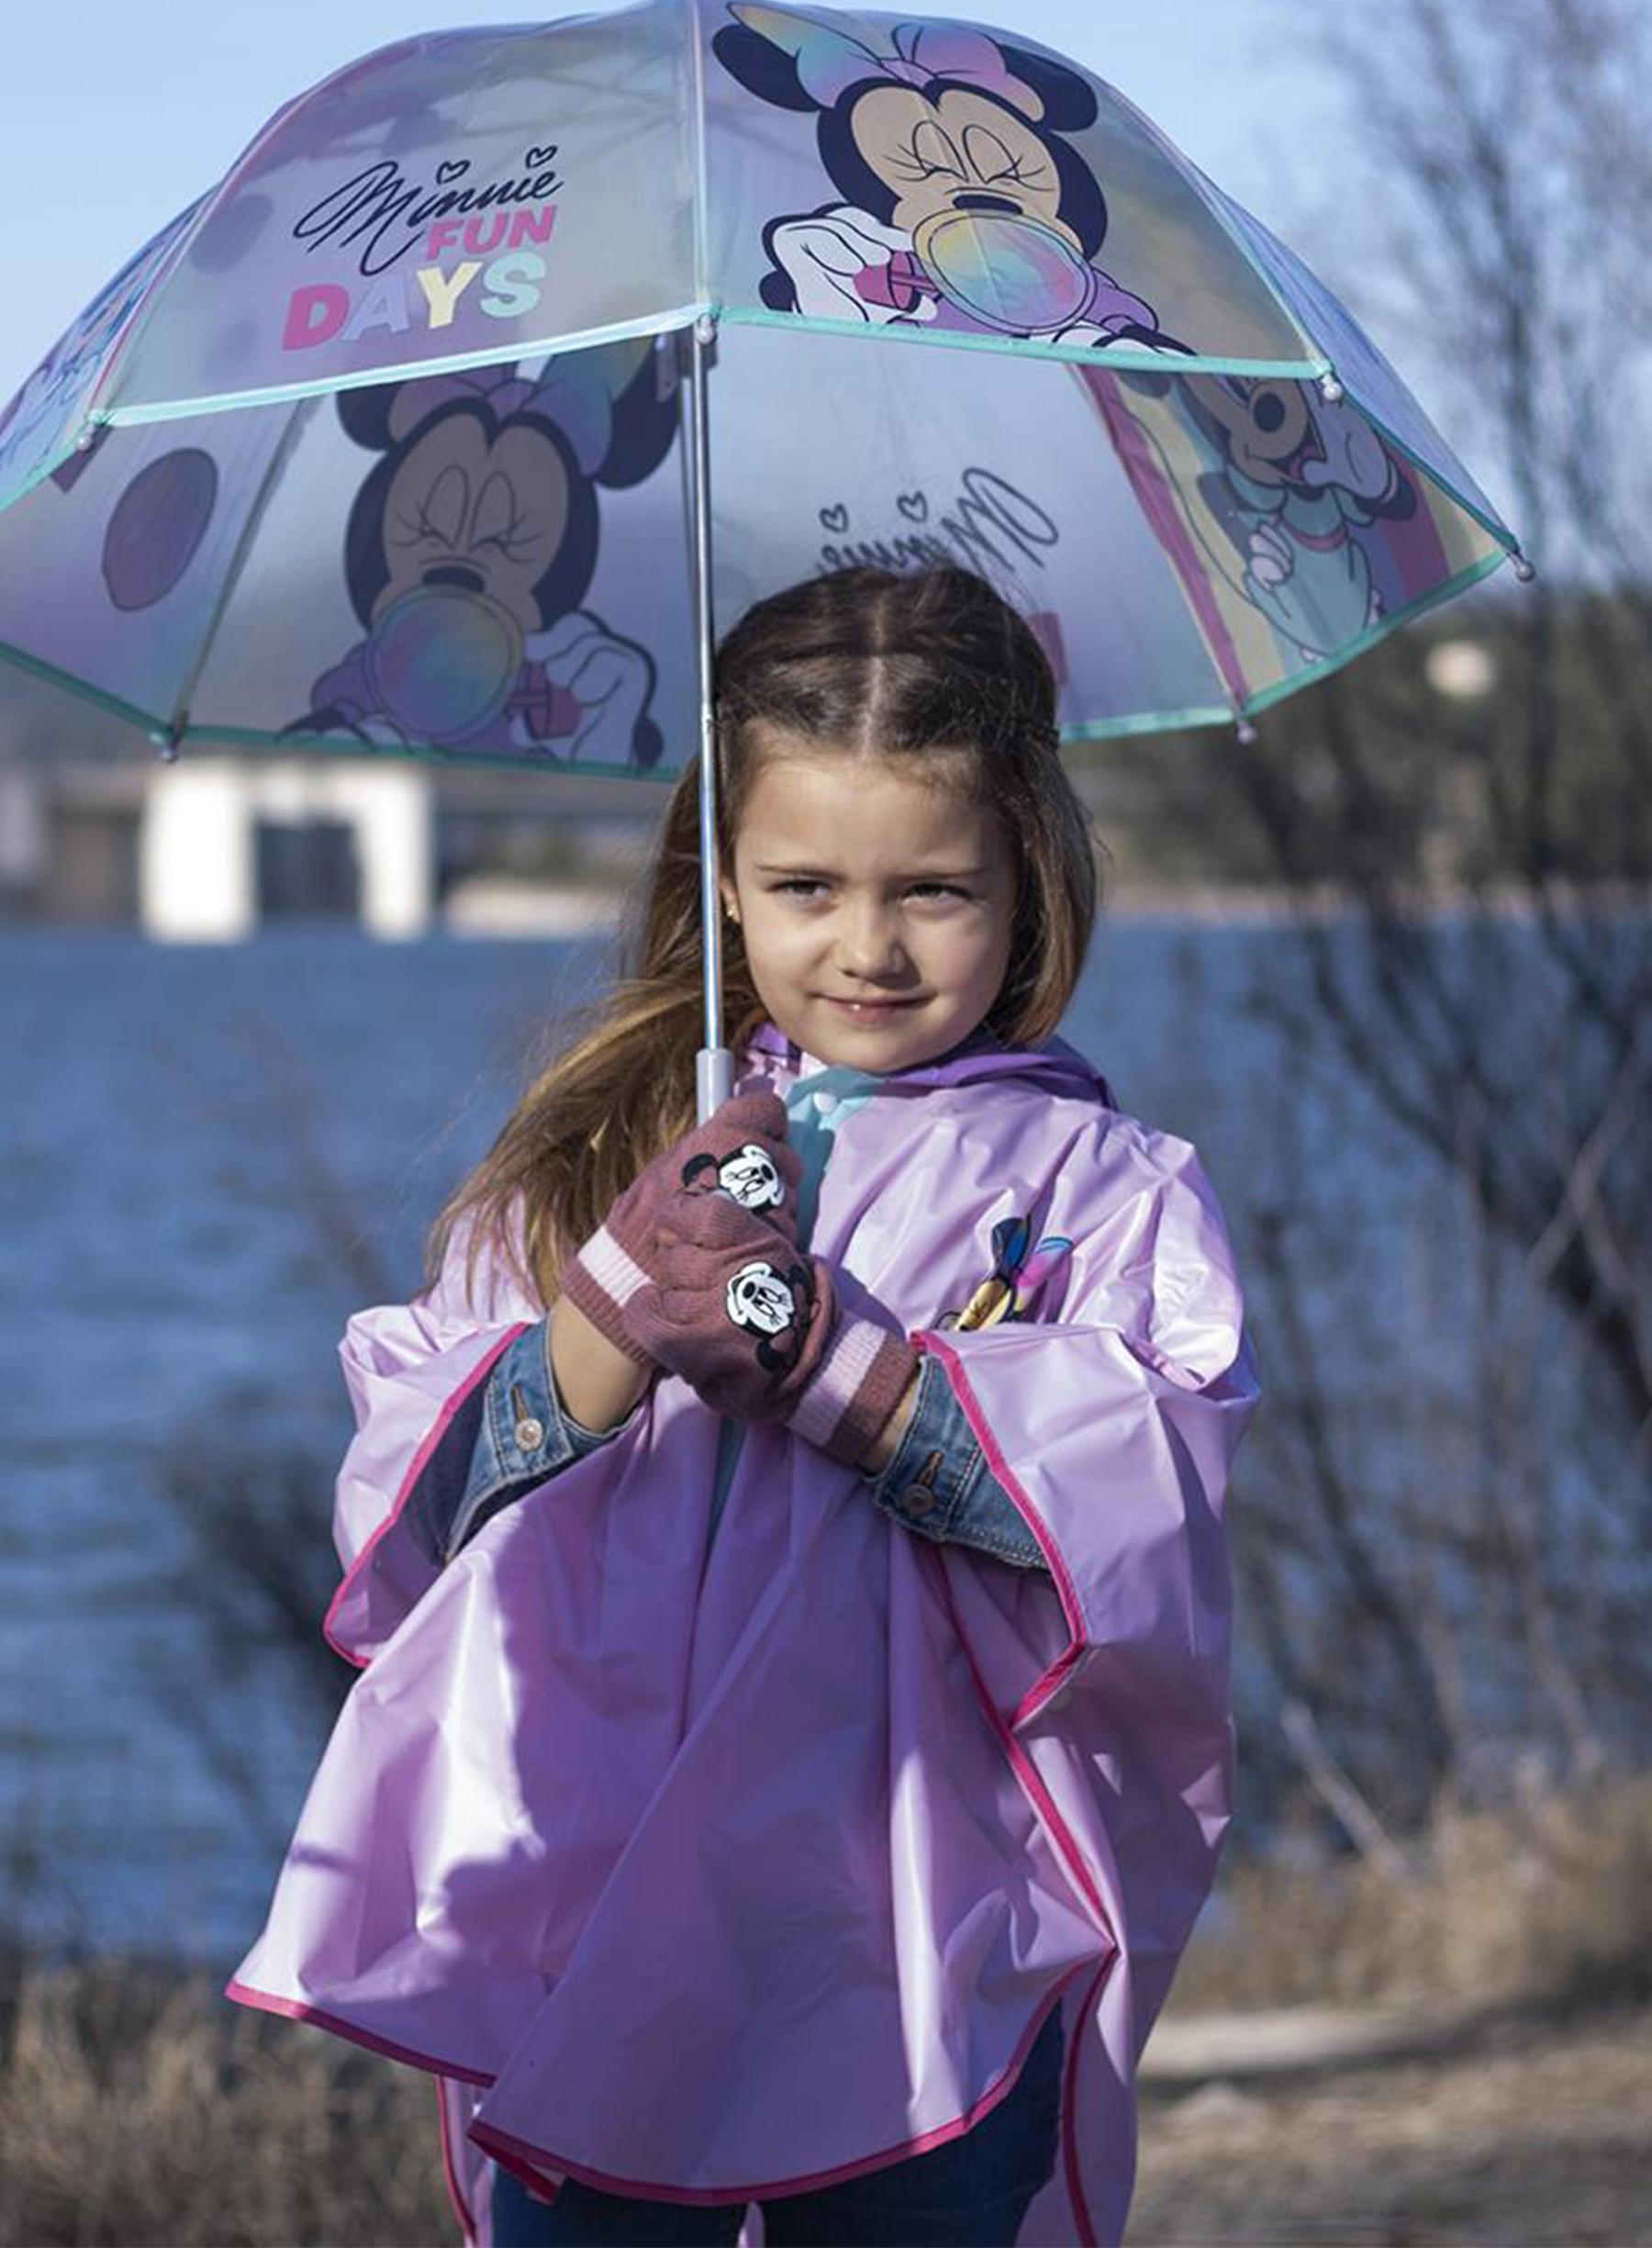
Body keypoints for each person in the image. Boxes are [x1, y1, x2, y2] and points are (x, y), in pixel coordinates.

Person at [226, 563, 1262, 2248]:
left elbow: (1140, 1524)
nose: (866, 944)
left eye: (933, 888)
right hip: (599, 1915)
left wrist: (838, 1373)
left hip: (922, 1928)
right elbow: (406, 1519)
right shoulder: (594, 1165)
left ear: (1031, 881)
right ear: (719, 880)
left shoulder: (1100, 1193)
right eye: (802, 884)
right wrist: (612, 1314)